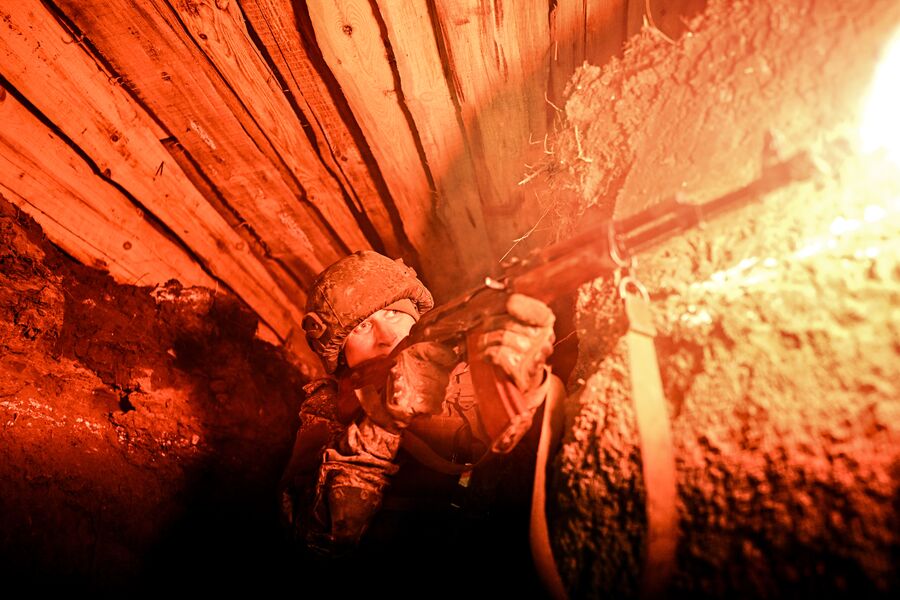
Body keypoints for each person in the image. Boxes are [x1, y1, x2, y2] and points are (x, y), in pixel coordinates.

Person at [278, 250, 563, 591]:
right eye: (364, 327)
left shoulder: (463, 365)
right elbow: (311, 537)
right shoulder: (330, 407)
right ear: (340, 353)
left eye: (393, 314)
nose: (387, 336)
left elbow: (525, 449)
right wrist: (382, 423)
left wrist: (526, 373)